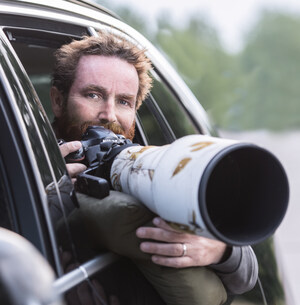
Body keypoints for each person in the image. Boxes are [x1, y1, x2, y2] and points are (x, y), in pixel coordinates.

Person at [50, 30, 258, 300]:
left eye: (124, 101)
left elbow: (248, 275)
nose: (109, 114)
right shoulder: (26, 164)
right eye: (93, 95)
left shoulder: (146, 169)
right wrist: (51, 191)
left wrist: (218, 249)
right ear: (57, 101)